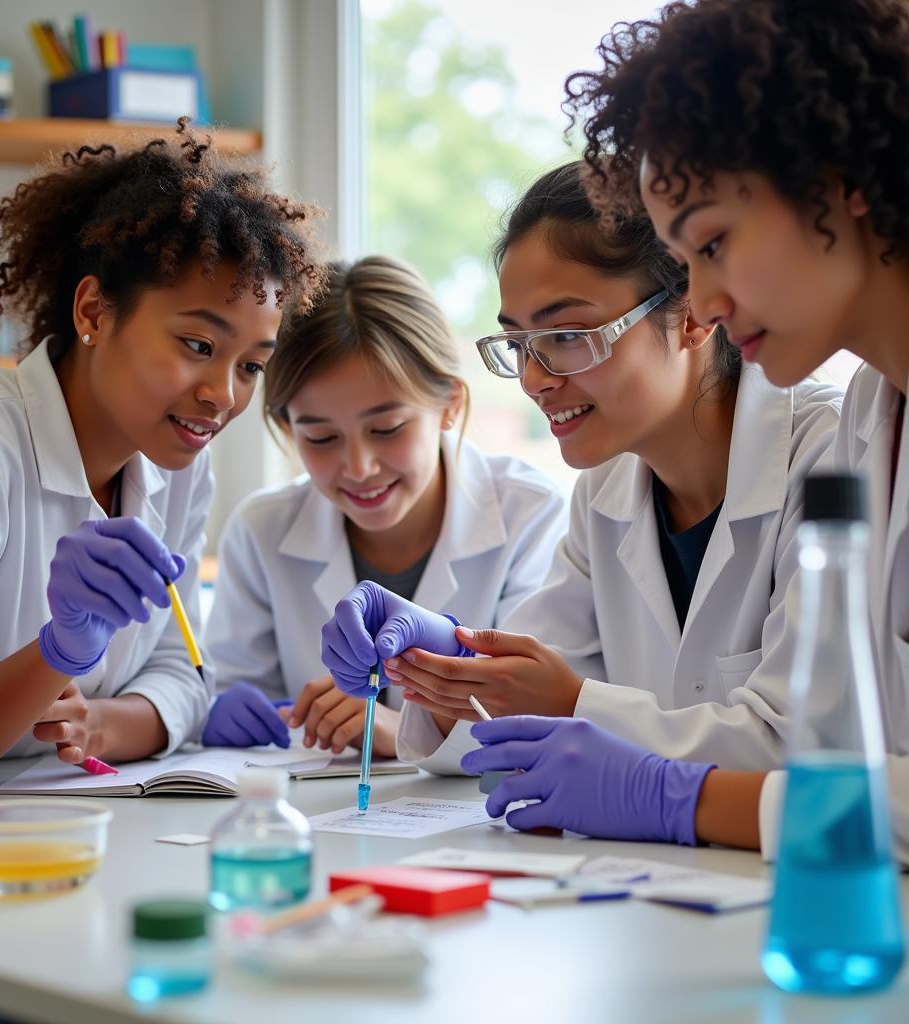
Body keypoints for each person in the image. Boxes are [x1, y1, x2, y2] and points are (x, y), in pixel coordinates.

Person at [460, 0, 909, 858]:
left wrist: (682, 798)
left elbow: (832, 759)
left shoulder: (830, 435)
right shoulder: (873, 415)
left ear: (839, 177)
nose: (701, 304)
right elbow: (859, 754)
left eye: (712, 243)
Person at [322, 161, 842, 783]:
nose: (536, 379)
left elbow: (805, 744)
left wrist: (571, 702)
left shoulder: (826, 460)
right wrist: (442, 658)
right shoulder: (606, 490)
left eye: (567, 334)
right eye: (518, 344)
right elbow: (509, 706)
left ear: (695, 313)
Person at [0, 120, 324, 768]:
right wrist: (57, 653)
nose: (223, 395)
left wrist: (99, 724)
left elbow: (184, 672)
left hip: (93, 812)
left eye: (251, 366)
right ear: (92, 312)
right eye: (198, 346)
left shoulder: (177, 463)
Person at [201, 255, 569, 757]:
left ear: (449, 405)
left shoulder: (531, 515)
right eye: (321, 437)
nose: (358, 466)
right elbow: (236, 692)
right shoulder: (261, 529)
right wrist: (223, 711)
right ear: (287, 428)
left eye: (387, 429)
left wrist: (402, 733)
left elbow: (540, 721)